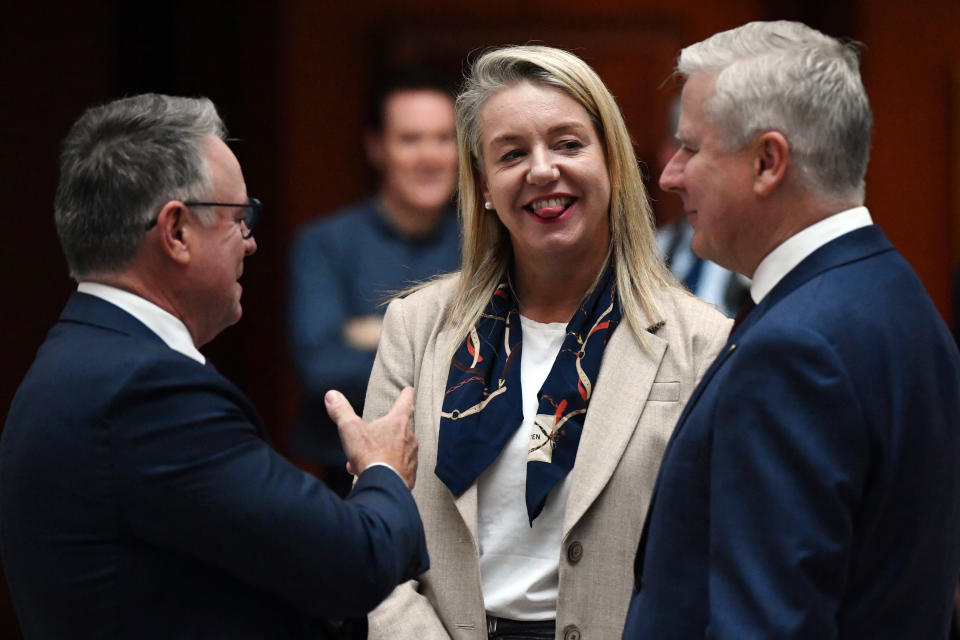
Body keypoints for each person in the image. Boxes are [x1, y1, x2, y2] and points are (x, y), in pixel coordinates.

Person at [0, 93, 428, 639]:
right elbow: (354, 563)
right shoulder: (148, 393)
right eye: (238, 217)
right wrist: (384, 469)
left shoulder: (81, 356)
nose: (250, 243)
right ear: (176, 232)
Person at [364, 45, 730, 639]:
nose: (541, 170)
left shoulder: (700, 340)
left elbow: (714, 551)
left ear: (610, 160)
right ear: (483, 184)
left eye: (567, 144)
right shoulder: (416, 327)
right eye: (511, 154)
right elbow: (374, 537)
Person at [622, 21, 960, 639]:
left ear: (767, 162)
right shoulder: (895, 293)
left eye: (692, 149)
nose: (671, 176)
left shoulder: (795, 349)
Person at [287, 68, 461, 495]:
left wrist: (378, 333)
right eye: (410, 140)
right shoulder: (325, 243)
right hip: (346, 481)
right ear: (377, 148)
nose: (431, 156)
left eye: (443, 138)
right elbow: (322, 370)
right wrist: (451, 343)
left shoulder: (487, 244)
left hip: (464, 478)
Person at [655, 97, 751, 318]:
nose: (669, 177)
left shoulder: (765, 254)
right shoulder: (653, 250)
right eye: (678, 148)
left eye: (692, 150)